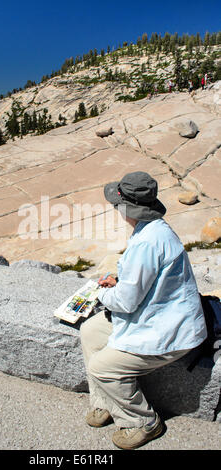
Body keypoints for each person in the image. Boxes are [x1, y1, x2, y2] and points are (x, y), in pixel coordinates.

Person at [80, 171, 207, 450]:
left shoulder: (149, 240)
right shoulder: (151, 228)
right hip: (155, 314)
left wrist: (101, 293)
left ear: (128, 207)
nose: (116, 210)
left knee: (102, 368)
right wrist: (118, 282)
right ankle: (105, 402)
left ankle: (143, 422)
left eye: (117, 205)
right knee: (90, 332)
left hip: (169, 331)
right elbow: (141, 282)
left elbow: (126, 302)